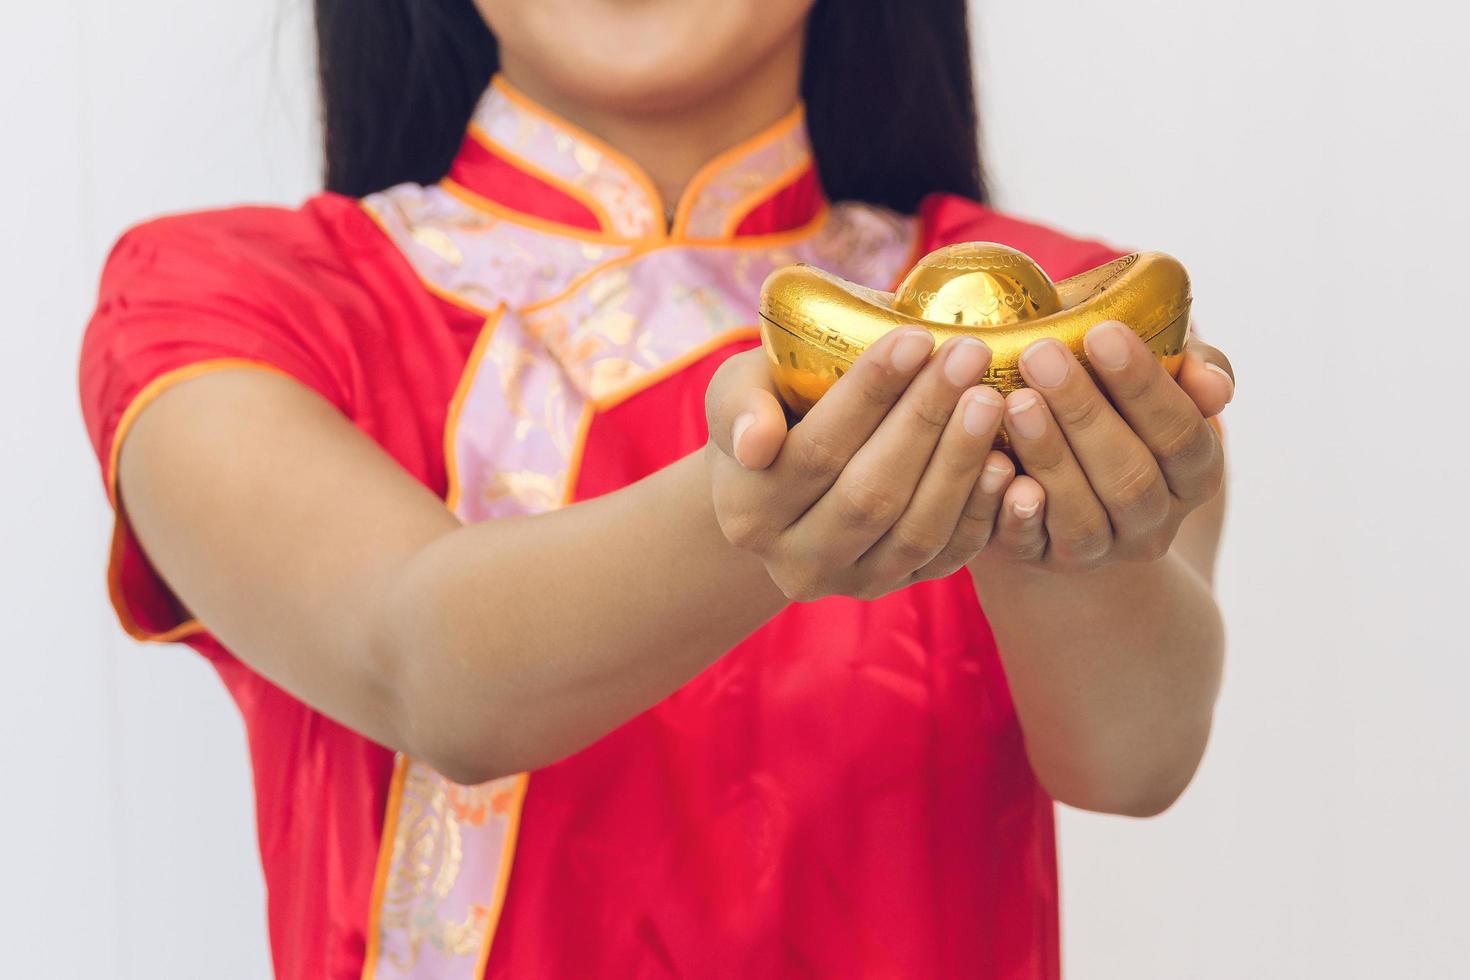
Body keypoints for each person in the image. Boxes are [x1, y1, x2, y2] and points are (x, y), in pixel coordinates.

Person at [78, 0, 1235, 977]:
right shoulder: (231, 305)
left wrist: (1070, 528)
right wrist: (756, 513)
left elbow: (1133, 756)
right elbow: (426, 669)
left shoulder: (1054, 314)